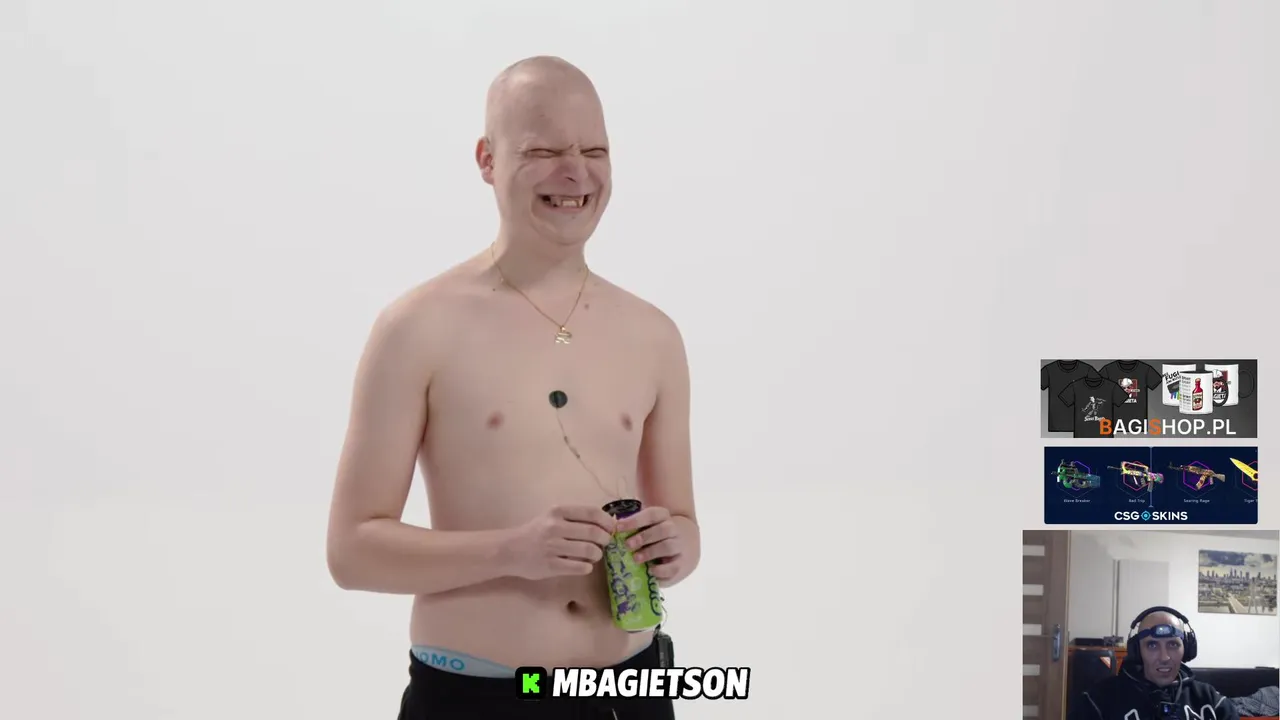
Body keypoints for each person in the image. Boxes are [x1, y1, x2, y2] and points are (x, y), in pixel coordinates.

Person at [325, 55, 698, 719]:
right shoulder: (418, 328)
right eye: (543, 151)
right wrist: (511, 551)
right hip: (481, 696)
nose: (575, 173)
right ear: (487, 160)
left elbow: (685, 530)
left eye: (594, 151)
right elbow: (352, 552)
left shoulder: (654, 335)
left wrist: (675, 547)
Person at [1071, 607, 1240, 720]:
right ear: (1137, 651)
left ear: (1187, 649)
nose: (1164, 657)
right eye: (1152, 645)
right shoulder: (1097, 701)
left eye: (1173, 645)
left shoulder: (1210, 700)